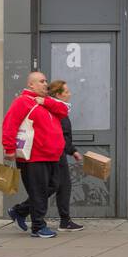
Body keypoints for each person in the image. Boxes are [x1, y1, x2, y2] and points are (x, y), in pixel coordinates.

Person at [1, 71, 71, 239]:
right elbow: (10, 125)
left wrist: (45, 102)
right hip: (33, 156)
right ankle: (38, 226)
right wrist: (9, 148)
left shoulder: (46, 102)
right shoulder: (22, 102)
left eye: (46, 81)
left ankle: (19, 211)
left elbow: (63, 110)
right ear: (31, 84)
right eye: (41, 81)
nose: (45, 84)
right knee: (38, 191)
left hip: (51, 155)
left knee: (54, 185)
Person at [45, 81, 83, 232]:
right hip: (56, 153)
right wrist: (72, 150)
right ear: (58, 95)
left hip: (58, 152)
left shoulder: (59, 109)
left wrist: (71, 150)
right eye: (66, 92)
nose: (70, 94)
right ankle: (21, 210)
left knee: (59, 186)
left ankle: (65, 220)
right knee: (56, 186)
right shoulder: (57, 111)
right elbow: (61, 135)